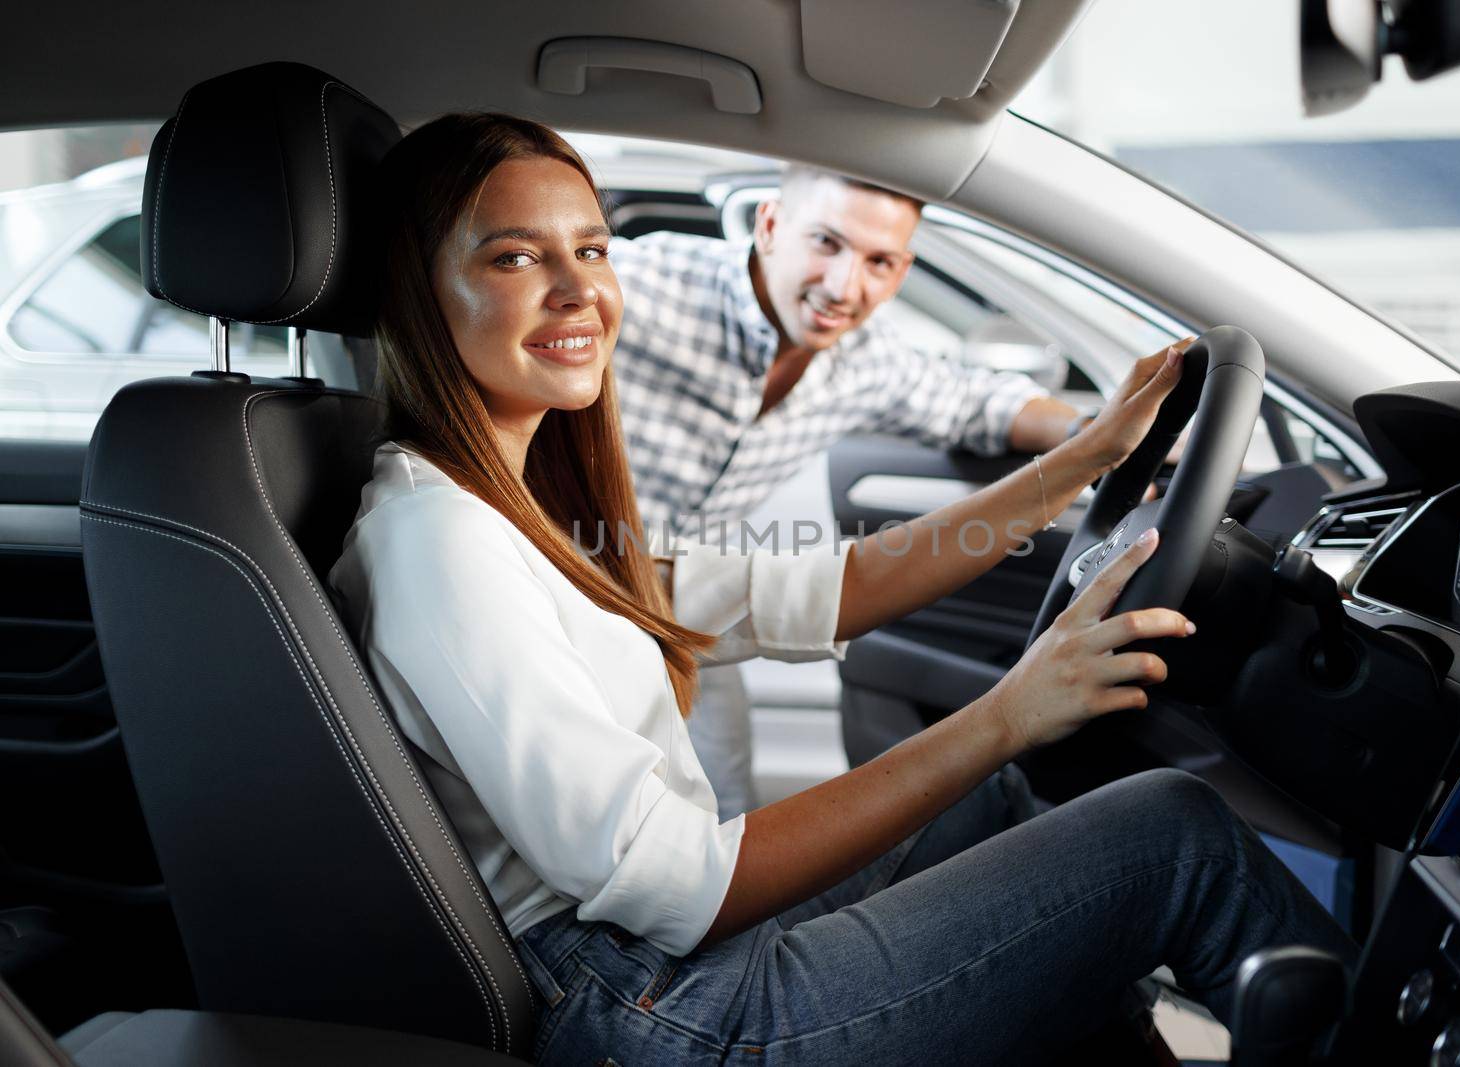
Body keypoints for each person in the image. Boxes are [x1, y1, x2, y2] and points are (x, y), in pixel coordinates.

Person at [330, 113, 1353, 1065]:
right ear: (420, 291)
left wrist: (1093, 451)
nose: (579, 290)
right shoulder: (442, 539)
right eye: (514, 255)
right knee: (1176, 839)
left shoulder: (515, 514)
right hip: (651, 1008)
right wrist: (1005, 711)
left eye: (591, 249)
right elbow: (678, 881)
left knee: (1007, 807)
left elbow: (828, 586)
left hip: (649, 964)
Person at [608, 165, 1116, 817]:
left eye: (879, 261)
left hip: (691, 605)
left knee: (718, 800)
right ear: (769, 226)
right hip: (572, 583)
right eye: (826, 242)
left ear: (901, 272)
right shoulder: (642, 283)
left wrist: (1090, 431)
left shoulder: (867, 361)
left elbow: (975, 402)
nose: (845, 286)